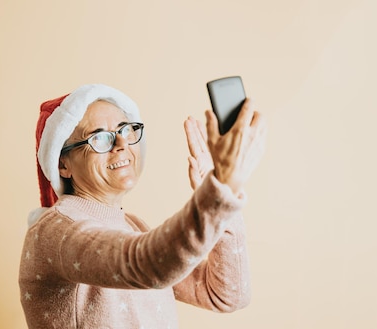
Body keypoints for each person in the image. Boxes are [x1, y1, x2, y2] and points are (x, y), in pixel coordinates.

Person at [19, 83, 267, 328]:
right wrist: (220, 189)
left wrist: (225, 199)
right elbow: (148, 263)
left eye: (125, 129)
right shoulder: (54, 231)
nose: (121, 144)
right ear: (63, 165)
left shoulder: (134, 226)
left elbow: (227, 295)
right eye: (100, 137)